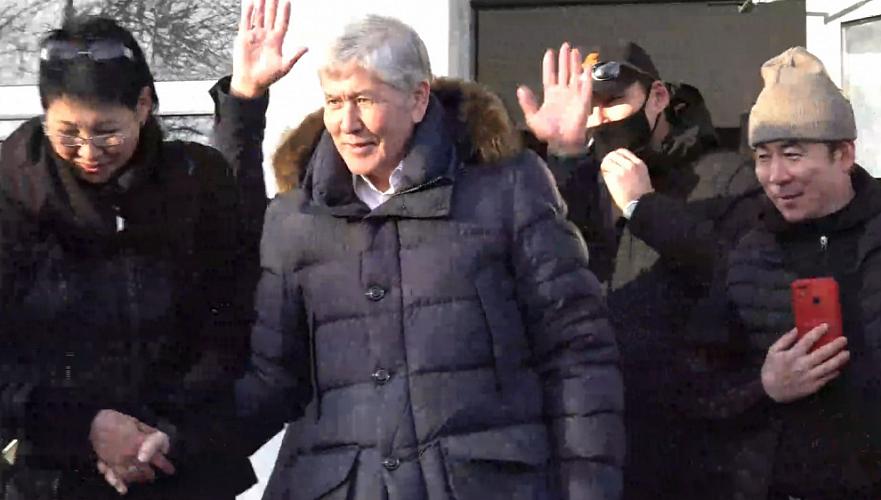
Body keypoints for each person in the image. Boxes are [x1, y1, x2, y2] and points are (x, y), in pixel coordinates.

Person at [109, 1, 626, 498]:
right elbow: (270, 382)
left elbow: (576, 354)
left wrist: (587, 489)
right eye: (334, 102)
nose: (346, 123)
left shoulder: (507, 191)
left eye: (364, 100)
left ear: (418, 99)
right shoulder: (295, 220)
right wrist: (178, 439)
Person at [0, 15, 264, 499]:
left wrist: (161, 434)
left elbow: (233, 320)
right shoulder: (11, 196)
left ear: (143, 105)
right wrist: (85, 426)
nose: (88, 151)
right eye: (67, 133)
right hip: (46, 478)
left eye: (107, 132)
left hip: (178, 463)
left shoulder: (196, 182)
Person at [516, 41, 764, 498]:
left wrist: (644, 207)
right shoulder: (582, 180)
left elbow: (741, 276)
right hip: (603, 438)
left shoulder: (727, 177)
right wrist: (565, 155)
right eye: (590, 107)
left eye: (613, 103)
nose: (600, 118)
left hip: (699, 441)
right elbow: (559, 265)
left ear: (658, 98)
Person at [684, 46, 881, 500]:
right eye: (762, 156)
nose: (775, 176)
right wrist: (764, 386)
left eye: (792, 155)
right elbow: (695, 386)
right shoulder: (747, 254)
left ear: (843, 154)